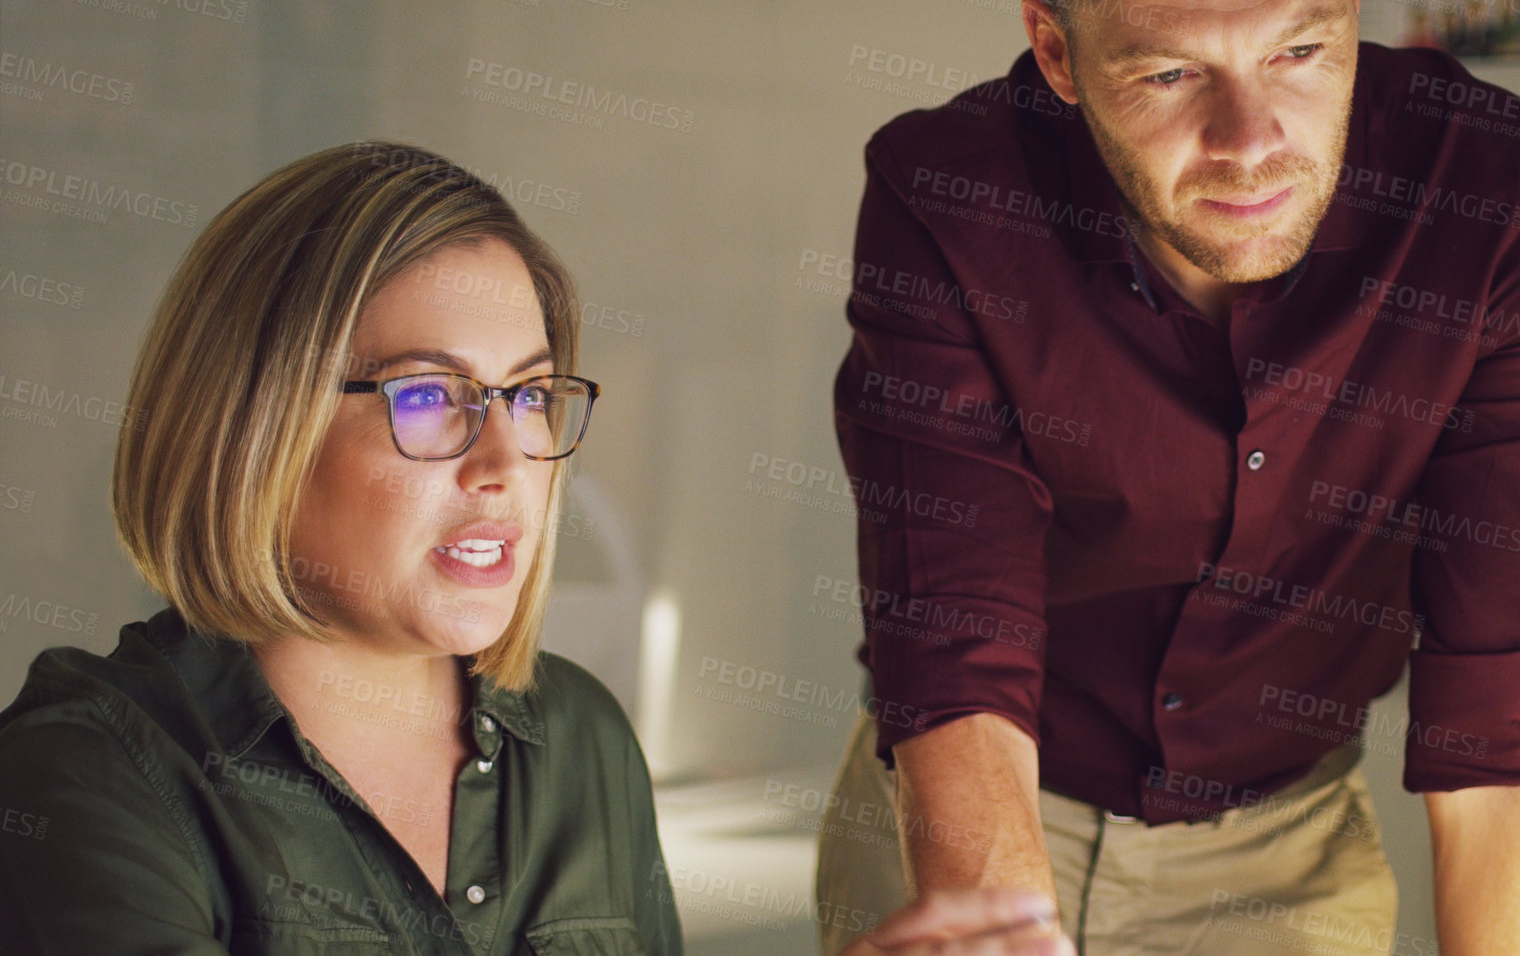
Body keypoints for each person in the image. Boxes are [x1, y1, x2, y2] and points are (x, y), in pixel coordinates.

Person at [0, 142, 1075, 956]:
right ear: (251, 426)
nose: (506, 462)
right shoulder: (90, 775)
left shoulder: (581, 741)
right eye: (430, 396)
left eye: (527, 394)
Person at [814, 0, 1520, 954]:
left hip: (1280, 853)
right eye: (1172, 72)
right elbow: (956, 640)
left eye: (1298, 52)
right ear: (1056, 51)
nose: (1249, 141)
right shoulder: (951, 199)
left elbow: (1506, 711)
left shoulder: (1499, 200)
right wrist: (995, 927)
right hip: (971, 806)